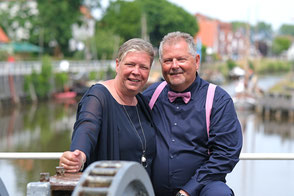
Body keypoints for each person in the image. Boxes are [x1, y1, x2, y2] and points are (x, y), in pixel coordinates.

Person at [143, 32, 243, 196]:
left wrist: (187, 191)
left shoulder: (218, 100)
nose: (174, 66)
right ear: (161, 64)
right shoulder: (151, 95)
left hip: (202, 188)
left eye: (181, 59)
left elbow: (225, 155)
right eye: (168, 60)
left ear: (196, 61)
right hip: (153, 188)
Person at [59, 38, 156, 176]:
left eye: (143, 67)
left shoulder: (142, 102)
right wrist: (78, 155)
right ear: (117, 65)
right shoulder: (98, 96)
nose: (136, 71)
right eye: (130, 64)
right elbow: (87, 126)